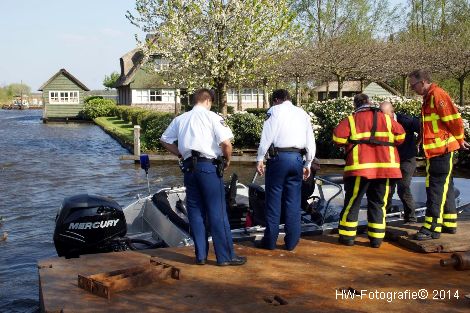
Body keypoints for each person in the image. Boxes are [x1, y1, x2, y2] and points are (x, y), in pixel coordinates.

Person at [160, 88, 246, 266]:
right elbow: (226, 144)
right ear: (209, 101)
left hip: (189, 168)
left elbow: (165, 140)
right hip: (208, 167)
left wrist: (180, 154)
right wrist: (227, 160)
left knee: (195, 212)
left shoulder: (180, 119)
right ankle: (225, 257)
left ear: (194, 101)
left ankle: (201, 256)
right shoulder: (213, 117)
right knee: (217, 211)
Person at [333, 94, 405, 248]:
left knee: (353, 202)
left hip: (359, 169)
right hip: (386, 169)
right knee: (379, 203)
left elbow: (338, 139)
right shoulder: (386, 118)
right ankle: (376, 240)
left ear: (355, 105)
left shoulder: (351, 120)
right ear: (370, 103)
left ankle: (347, 238)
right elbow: (401, 136)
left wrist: (352, 142)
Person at [408, 69, 469, 240]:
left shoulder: (437, 95)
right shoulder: (429, 97)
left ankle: (431, 227)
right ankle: (449, 223)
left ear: (423, 82)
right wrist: (421, 140)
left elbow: (453, 119)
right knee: (445, 186)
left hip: (441, 151)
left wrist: (460, 138)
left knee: (435, 188)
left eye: (413, 85)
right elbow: (431, 125)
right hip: (437, 150)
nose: (412, 89)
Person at [255, 89, 316, 251]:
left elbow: (266, 136)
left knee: (273, 201)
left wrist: (260, 158)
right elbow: (310, 140)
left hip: (278, 159)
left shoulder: (274, 111)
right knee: (293, 202)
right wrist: (308, 164)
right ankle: (291, 243)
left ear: (276, 100)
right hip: (297, 159)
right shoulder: (302, 113)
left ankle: (270, 242)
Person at [380, 101, 420, 223]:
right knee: (388, 189)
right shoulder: (381, 121)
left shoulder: (406, 120)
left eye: (385, 115)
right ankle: (382, 218)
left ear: (392, 112)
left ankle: (411, 218)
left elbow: (423, 128)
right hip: (391, 160)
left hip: (407, 159)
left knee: (403, 187)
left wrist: (418, 143)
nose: (382, 118)